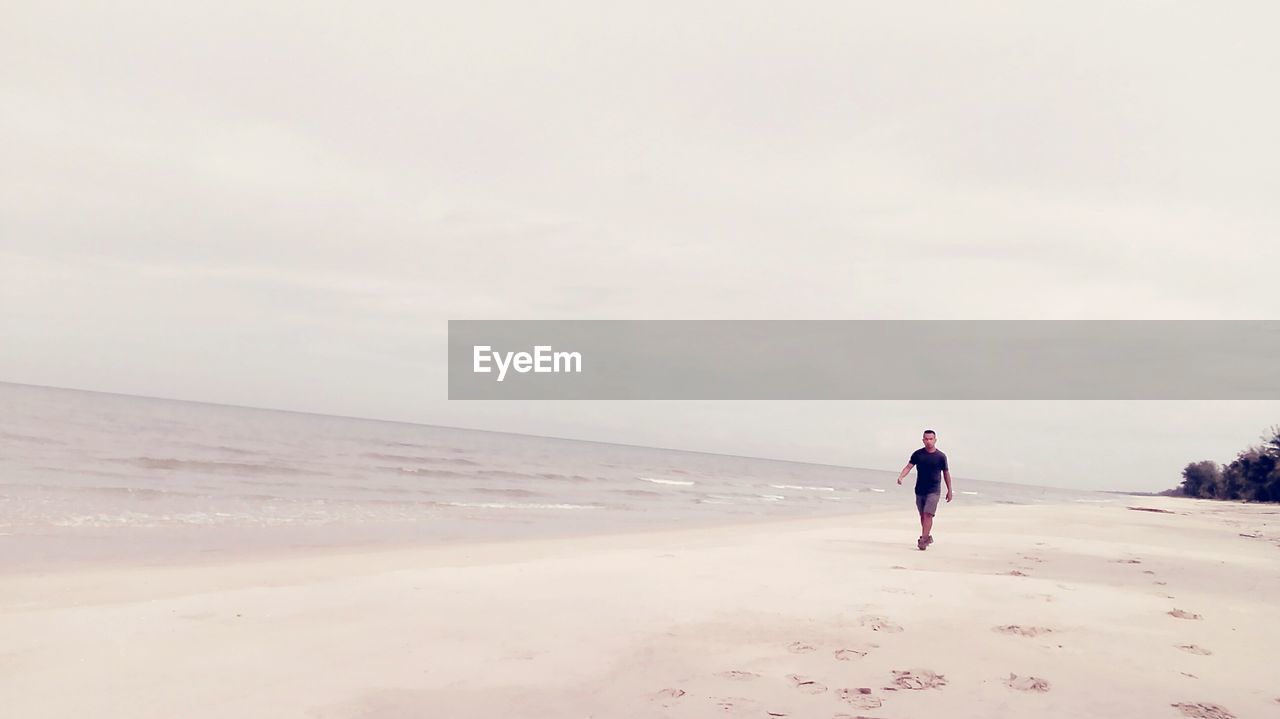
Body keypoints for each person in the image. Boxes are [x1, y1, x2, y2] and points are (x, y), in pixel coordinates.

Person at [895, 429, 952, 550]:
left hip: (934, 490)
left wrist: (949, 490)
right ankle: (927, 537)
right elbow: (908, 466)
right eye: (926, 439)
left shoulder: (941, 456)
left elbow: (946, 473)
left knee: (928, 514)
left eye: (931, 439)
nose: (928, 441)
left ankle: (923, 539)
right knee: (922, 515)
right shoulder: (918, 454)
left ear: (935, 440)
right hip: (920, 489)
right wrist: (901, 476)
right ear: (923, 440)